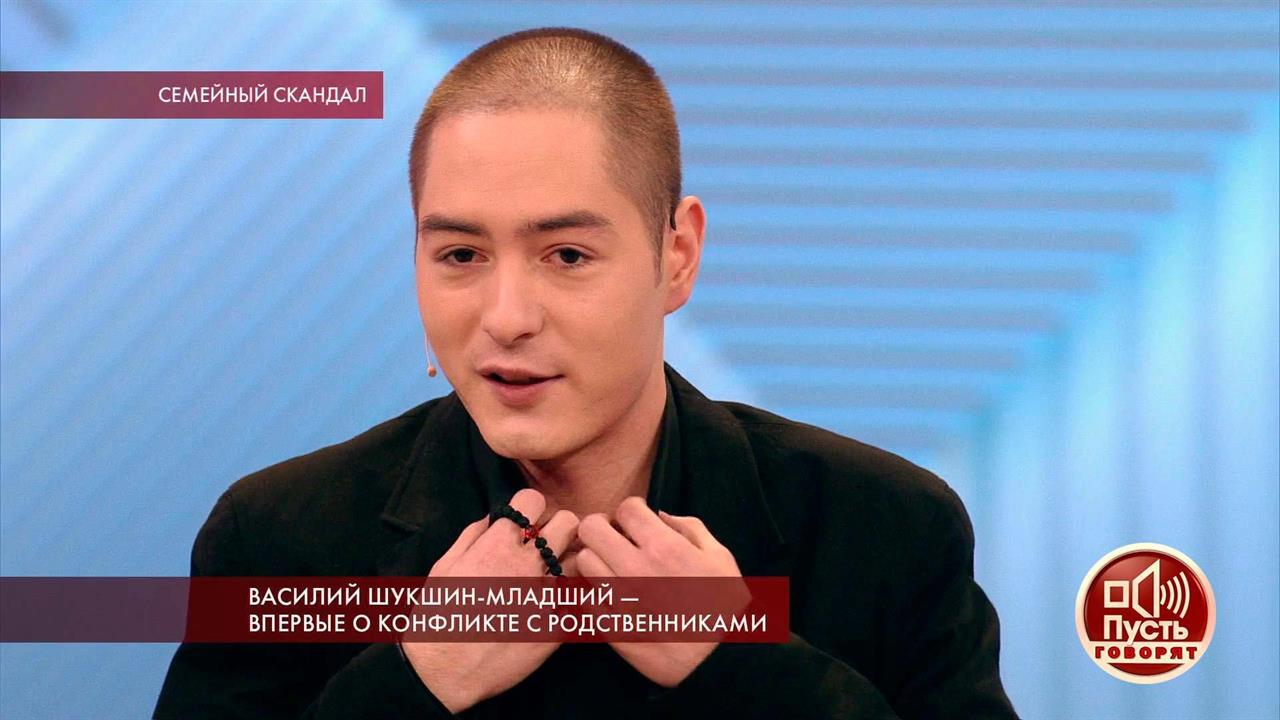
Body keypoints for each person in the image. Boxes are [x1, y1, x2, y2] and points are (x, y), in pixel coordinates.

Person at [154, 27, 1018, 720]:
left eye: (566, 254)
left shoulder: (882, 527)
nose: (506, 317)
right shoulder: (278, 540)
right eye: (460, 255)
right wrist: (418, 677)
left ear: (677, 255)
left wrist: (742, 667)